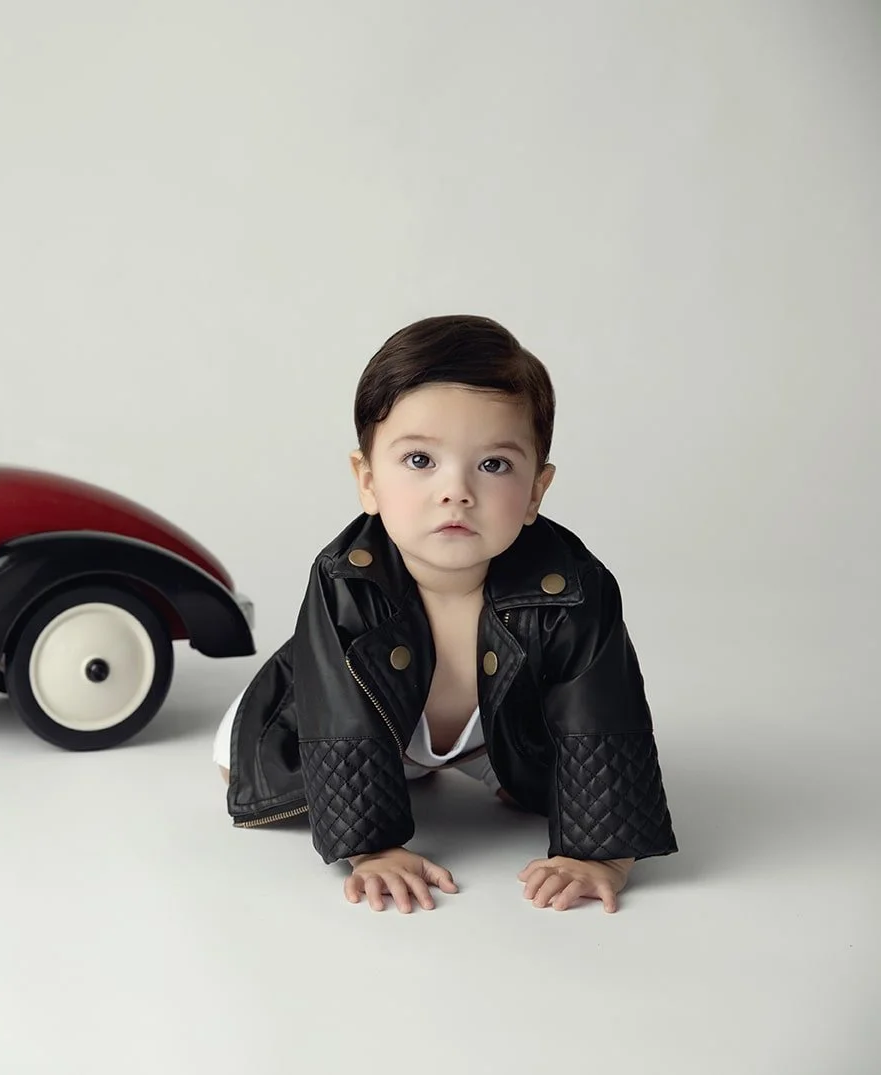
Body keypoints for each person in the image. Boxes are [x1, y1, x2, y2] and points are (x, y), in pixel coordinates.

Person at [215, 313, 677, 914]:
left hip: (486, 731)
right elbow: (341, 719)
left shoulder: (573, 586)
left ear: (537, 489)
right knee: (239, 759)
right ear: (367, 480)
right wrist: (373, 847)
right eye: (419, 461)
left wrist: (601, 852)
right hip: (336, 717)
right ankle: (411, 765)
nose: (455, 490)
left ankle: (468, 761)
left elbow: (600, 711)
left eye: (493, 465)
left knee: (528, 760)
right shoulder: (344, 580)